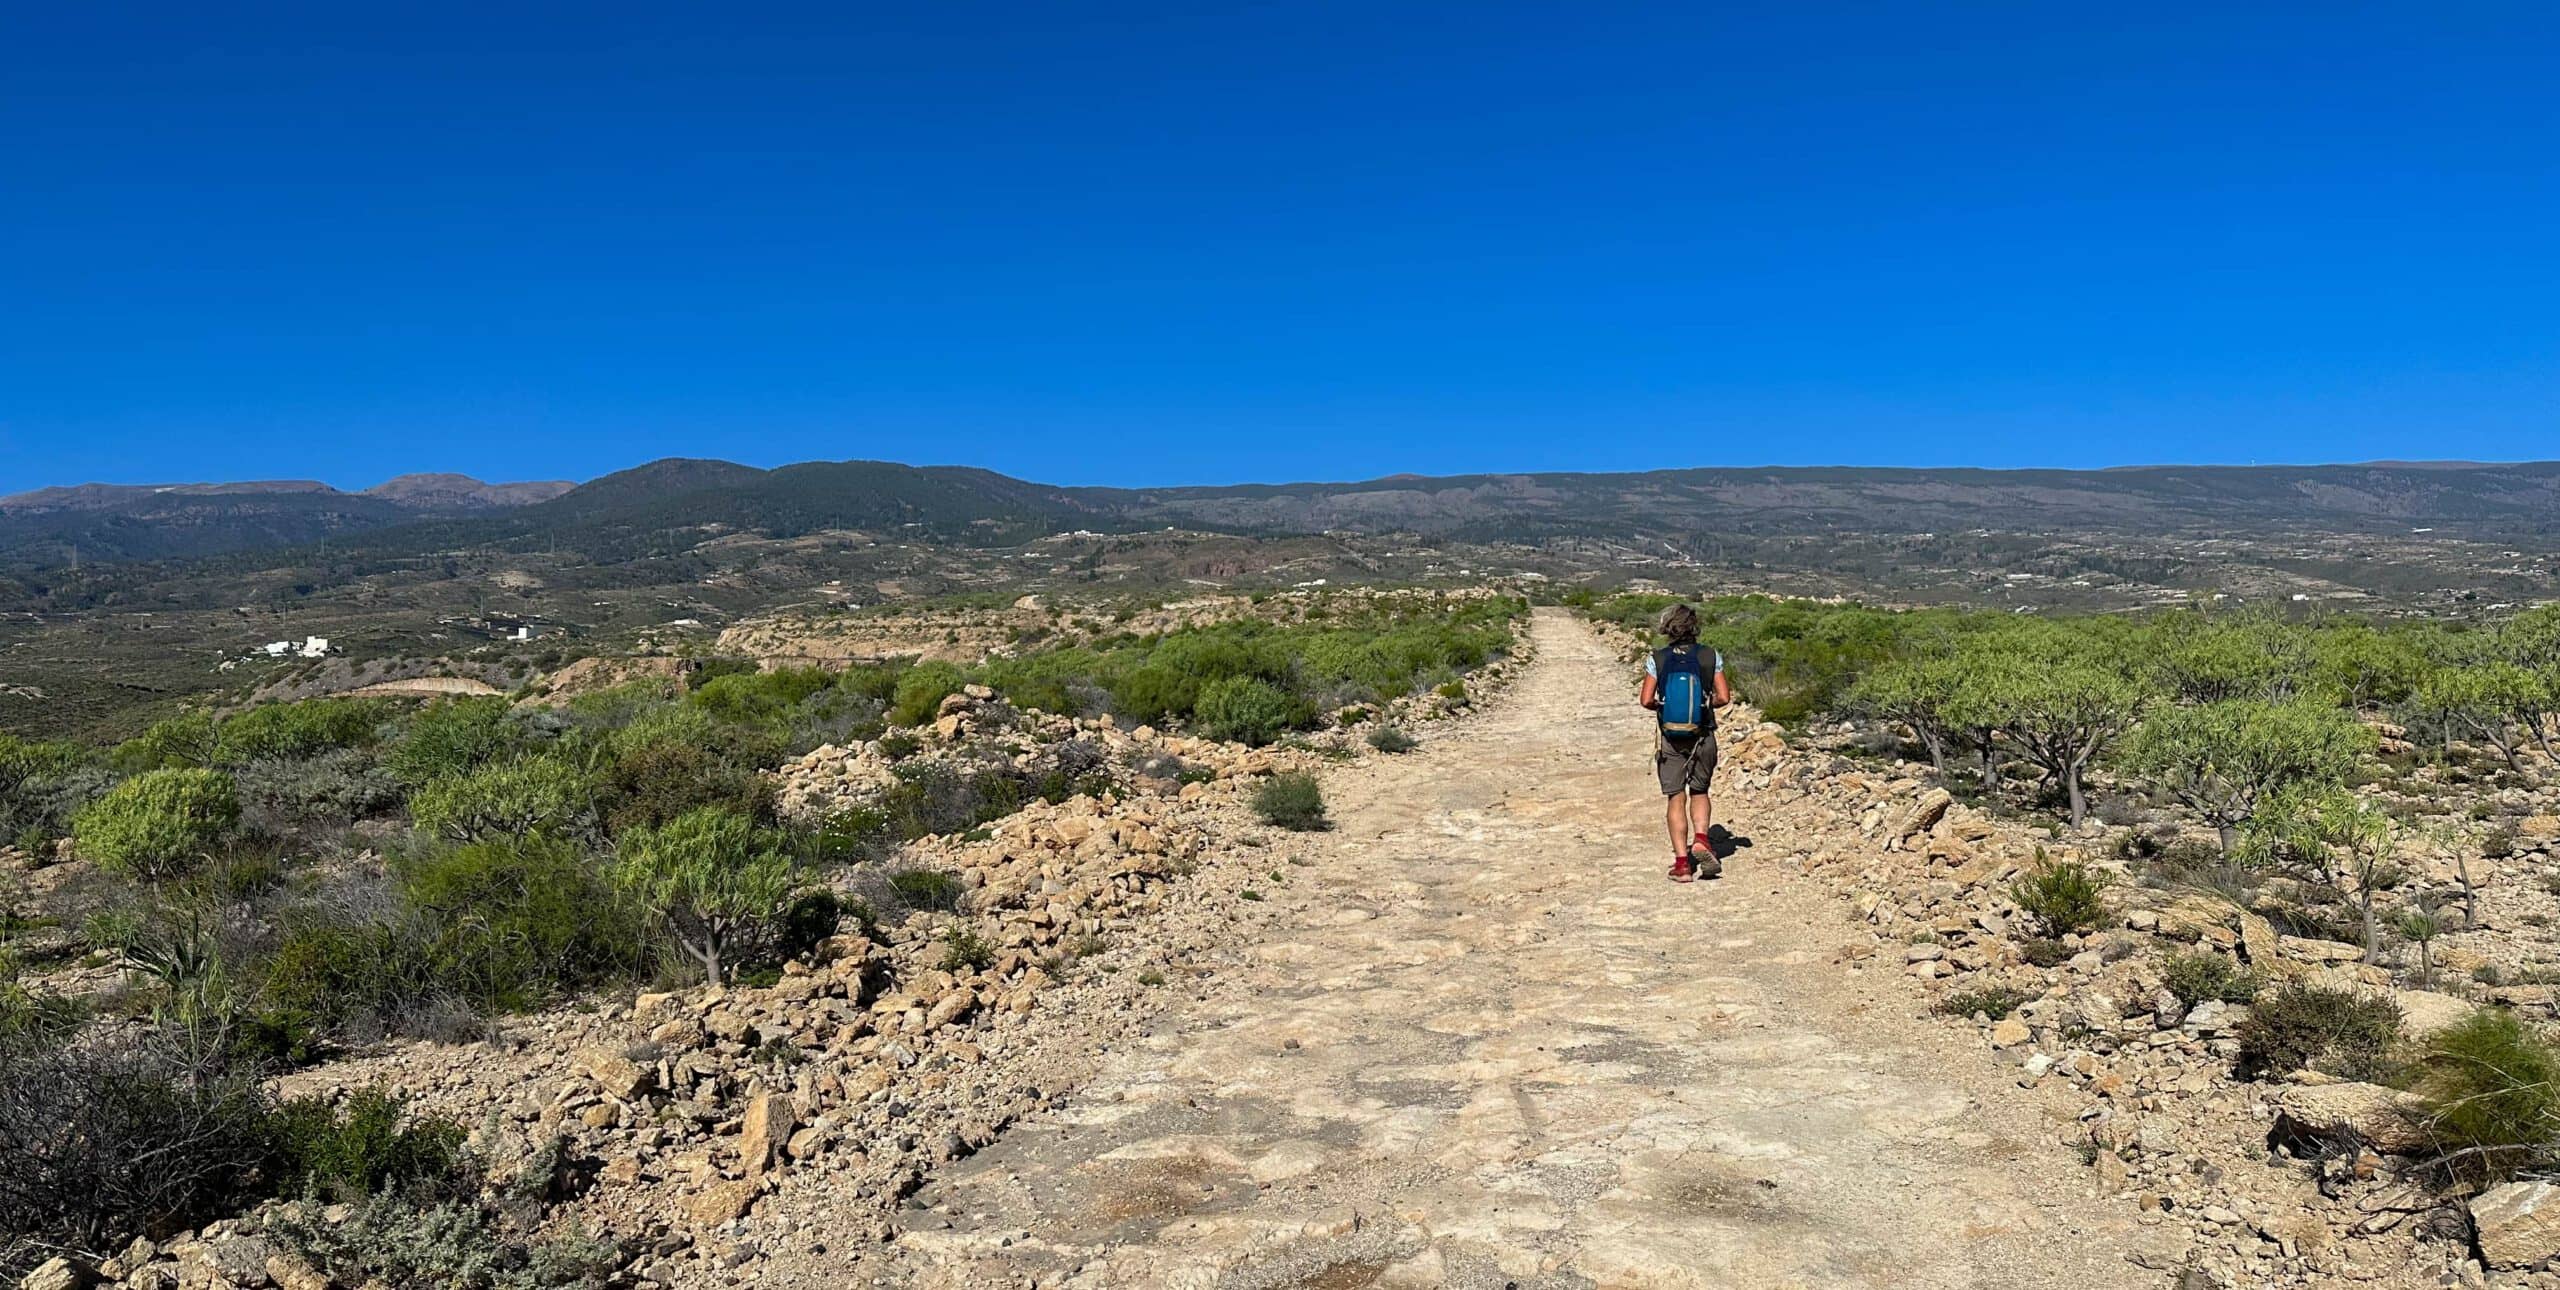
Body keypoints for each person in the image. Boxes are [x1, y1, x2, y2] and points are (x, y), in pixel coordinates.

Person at [1637, 603, 1731, 882]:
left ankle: (1682, 865)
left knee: (1675, 796)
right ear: (1694, 626)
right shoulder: (1710, 656)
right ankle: (1701, 839)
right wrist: (1704, 706)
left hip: (1670, 737)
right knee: (1700, 790)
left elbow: (1646, 700)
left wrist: (1666, 708)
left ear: (1668, 627)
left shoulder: (1658, 658)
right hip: (1703, 733)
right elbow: (1724, 697)